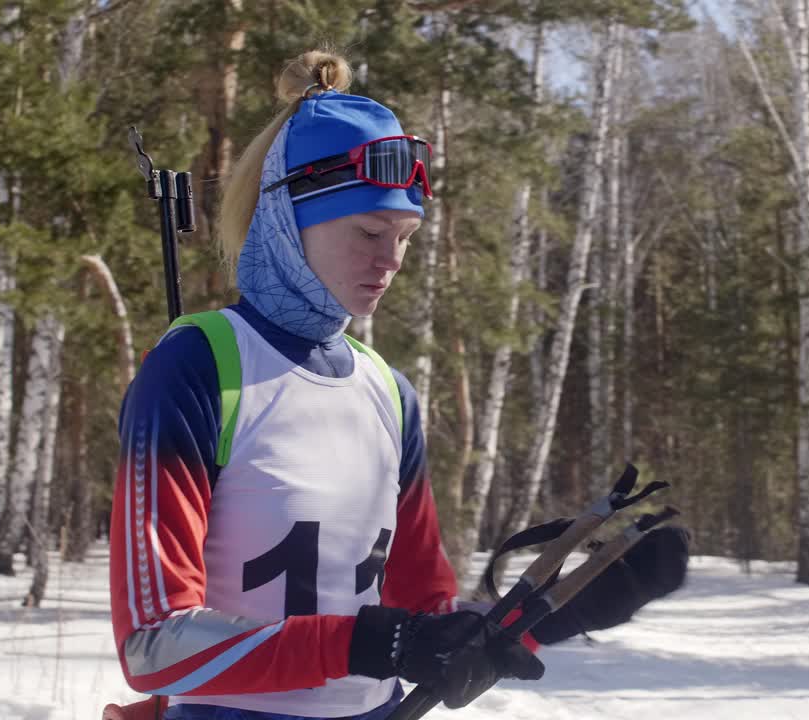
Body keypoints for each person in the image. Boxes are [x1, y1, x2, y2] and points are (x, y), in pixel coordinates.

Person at [108, 50, 689, 720]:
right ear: (286, 219)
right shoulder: (201, 365)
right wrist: (376, 643)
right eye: (369, 231)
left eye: (406, 236)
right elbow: (153, 644)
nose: (390, 261)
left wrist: (556, 612)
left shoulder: (387, 391)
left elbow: (426, 621)